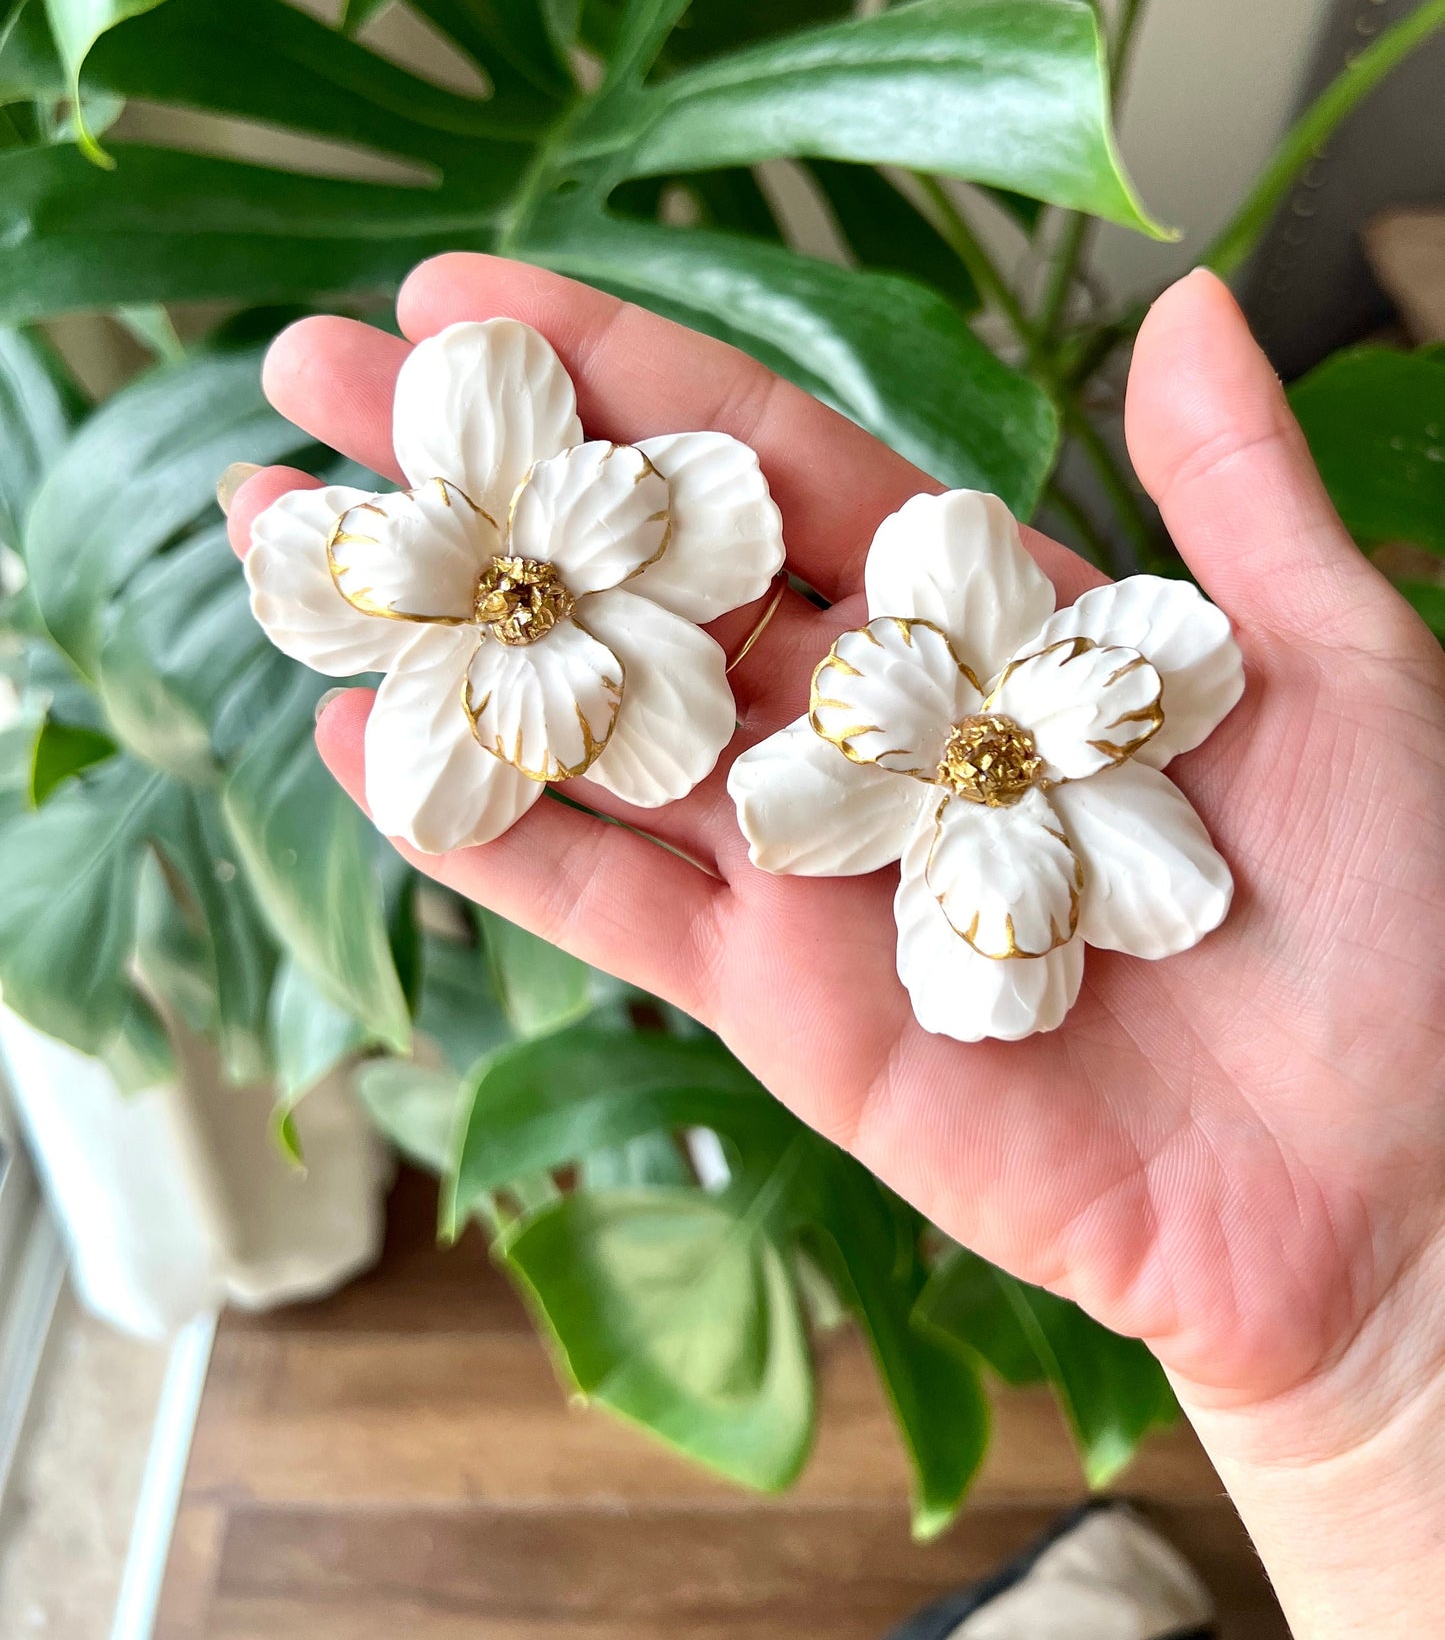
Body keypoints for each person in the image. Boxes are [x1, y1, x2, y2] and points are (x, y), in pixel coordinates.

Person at [225, 260, 1445, 1638]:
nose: (515, 600)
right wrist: (1384, 1379)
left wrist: (1399, 1336)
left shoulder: (1102, 819)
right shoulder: (529, 676)